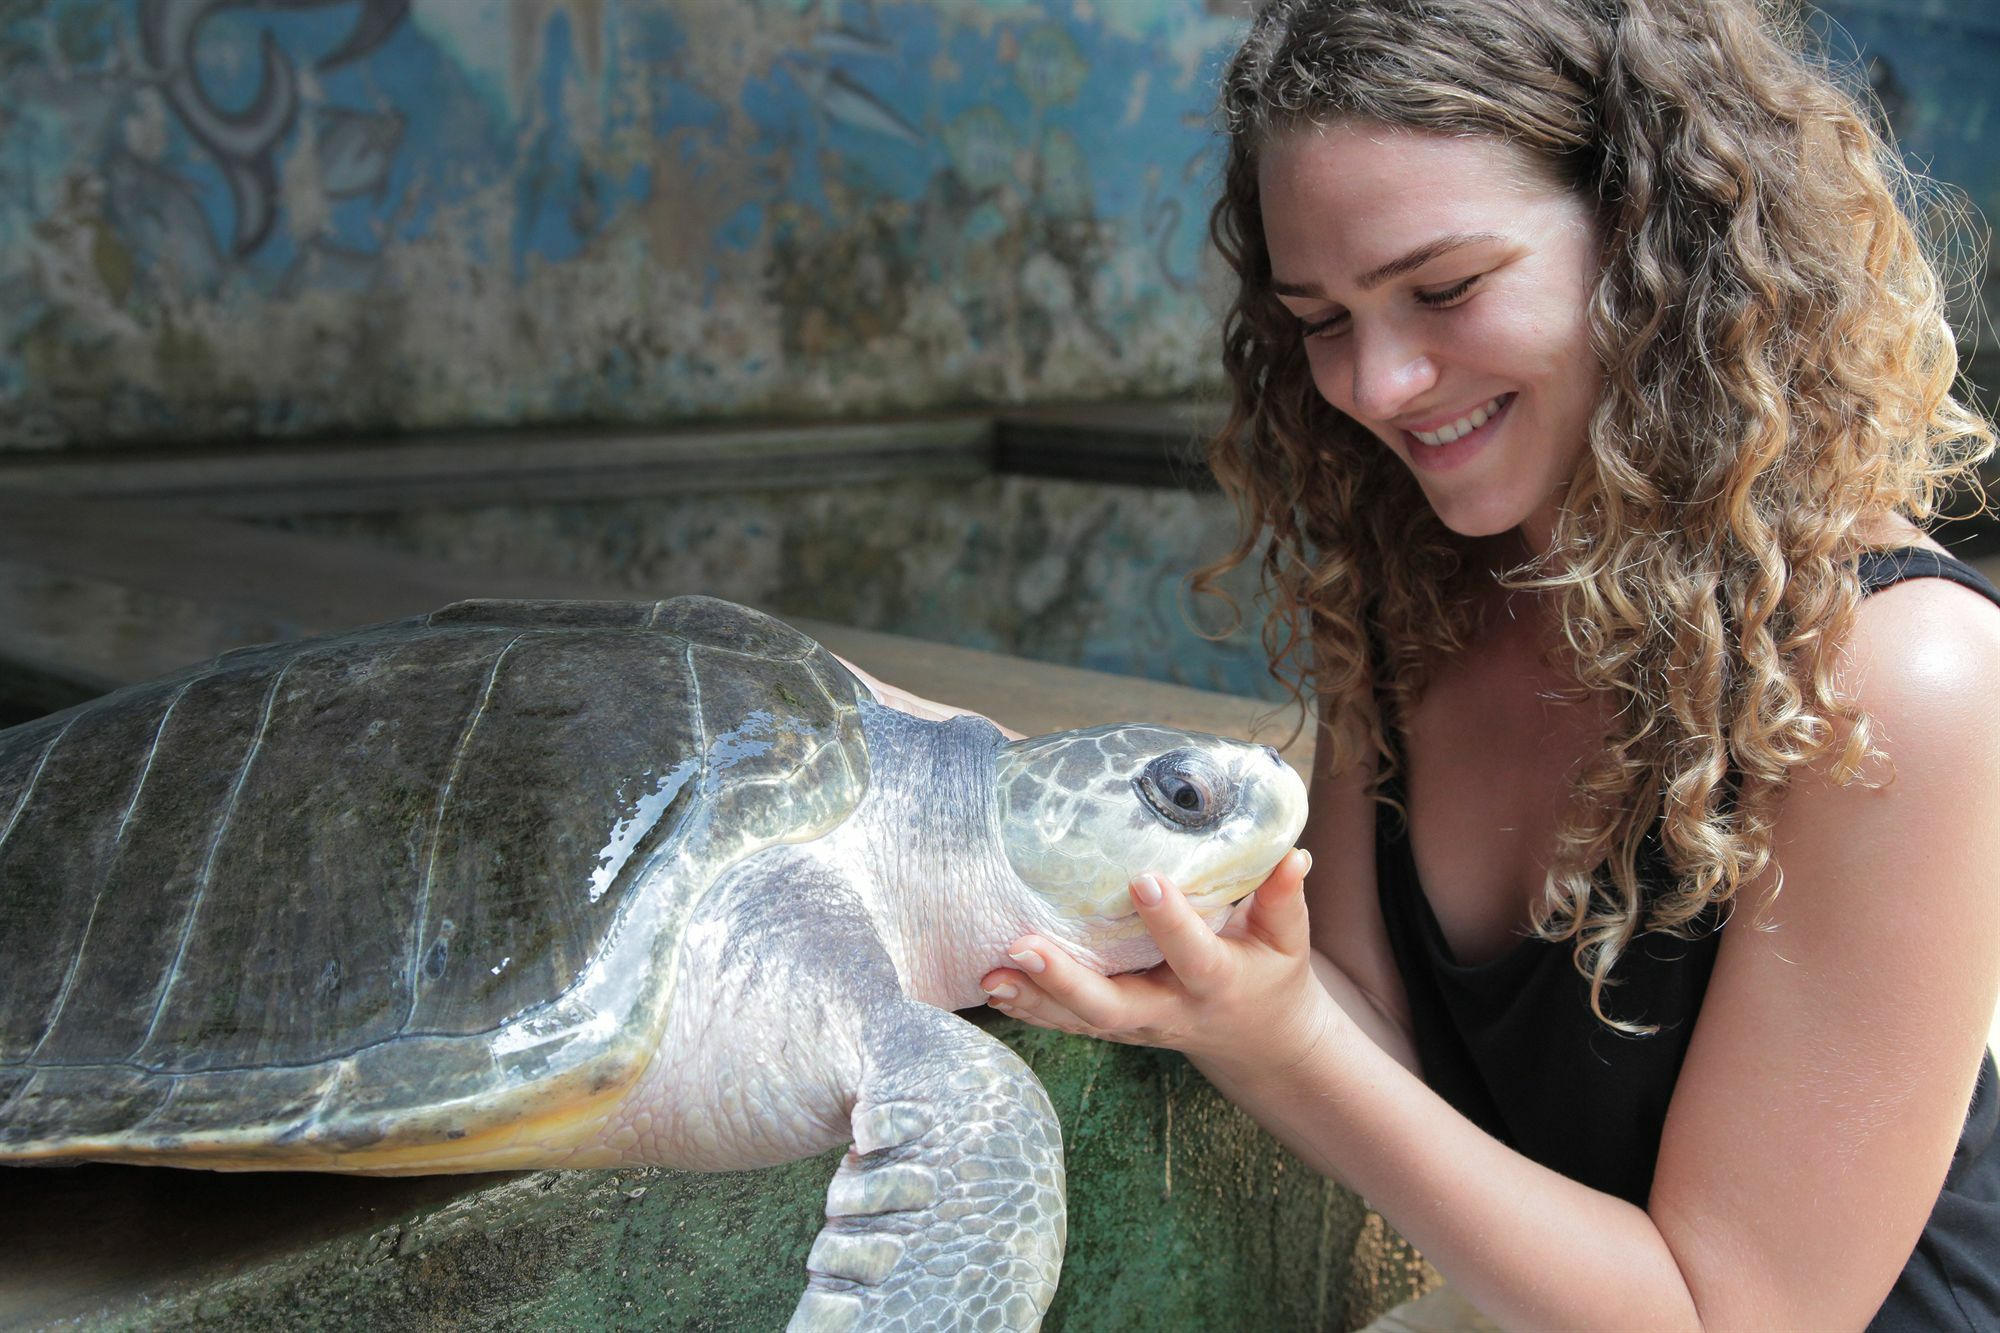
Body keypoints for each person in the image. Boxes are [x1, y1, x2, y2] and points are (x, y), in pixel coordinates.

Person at [954, 1, 2000, 1327]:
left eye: (1443, 288)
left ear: (1646, 232)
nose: (1378, 382)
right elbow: (1351, 1019)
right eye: (1320, 316)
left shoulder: (1904, 671)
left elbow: (1739, 1312)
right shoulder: (1414, 596)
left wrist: (1291, 1041)